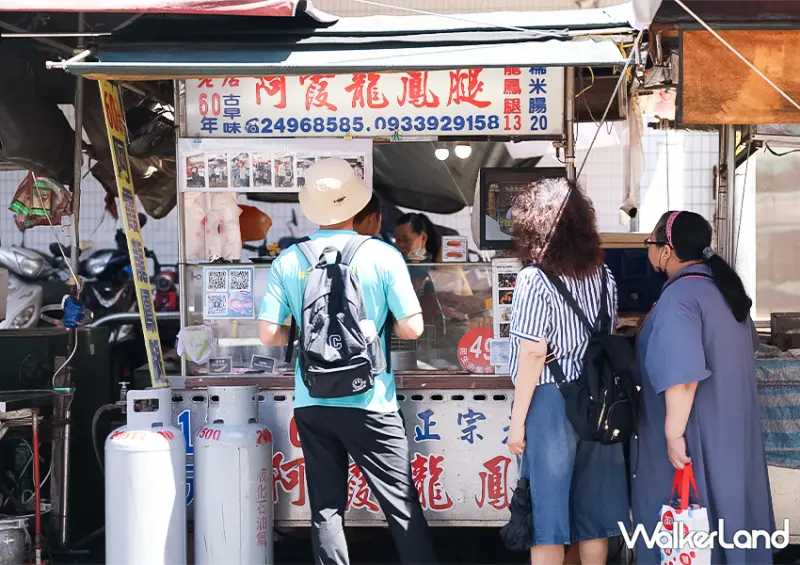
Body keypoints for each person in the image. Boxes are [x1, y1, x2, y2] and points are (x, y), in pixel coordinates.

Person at [257, 158, 437, 565]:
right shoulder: (383, 255)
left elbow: (267, 333)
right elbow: (413, 329)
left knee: (326, 506)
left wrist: (301, 336)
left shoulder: (289, 260)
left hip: (312, 398)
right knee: (400, 505)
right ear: (357, 208)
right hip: (371, 399)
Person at [632, 210, 773, 564]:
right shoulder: (722, 290)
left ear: (666, 250)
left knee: (692, 531)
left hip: (697, 436)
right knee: (733, 521)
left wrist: (673, 434)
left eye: (650, 243)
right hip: (732, 434)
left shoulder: (681, 297)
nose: (648, 250)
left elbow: (682, 376)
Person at [505, 178, 630, 565]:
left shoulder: (534, 279)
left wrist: (516, 422)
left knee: (547, 519)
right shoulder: (604, 277)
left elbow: (531, 353)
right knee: (594, 519)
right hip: (599, 401)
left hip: (550, 403)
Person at [394, 213, 446, 334]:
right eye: (397, 239)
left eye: (406, 240)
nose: (400, 245)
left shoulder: (439, 266)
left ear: (422, 238)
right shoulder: (397, 265)